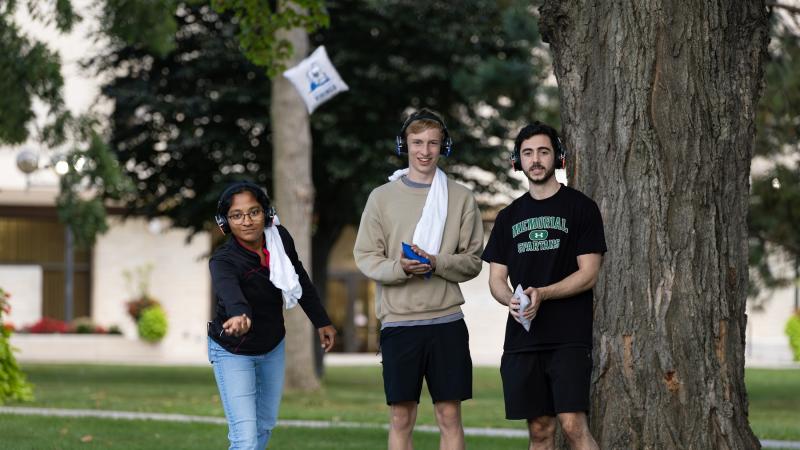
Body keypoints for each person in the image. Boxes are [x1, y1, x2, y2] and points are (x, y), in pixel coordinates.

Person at [354, 109, 484, 450]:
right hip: (399, 323)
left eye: (433, 143)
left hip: (446, 322)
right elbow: (366, 256)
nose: (425, 151)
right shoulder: (381, 198)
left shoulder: (461, 197)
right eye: (417, 143)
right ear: (404, 145)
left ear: (444, 147)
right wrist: (400, 268)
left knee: (449, 415)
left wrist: (436, 262)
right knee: (401, 417)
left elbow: (473, 262)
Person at [481, 122, 606, 450]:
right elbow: (496, 279)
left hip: (569, 337)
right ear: (517, 160)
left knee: (572, 424)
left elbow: (589, 273)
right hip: (523, 339)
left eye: (543, 152)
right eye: (527, 153)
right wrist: (510, 299)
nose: (535, 160)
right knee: (539, 430)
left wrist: (544, 293)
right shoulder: (507, 217)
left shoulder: (581, 208)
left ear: (557, 157)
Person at [208, 181, 337, 450]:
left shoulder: (280, 239)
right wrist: (239, 316)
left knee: (264, 425)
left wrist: (321, 321)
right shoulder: (223, 261)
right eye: (236, 215)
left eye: (253, 212)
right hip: (233, 350)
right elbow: (231, 295)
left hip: (272, 345)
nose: (246, 221)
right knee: (245, 438)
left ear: (266, 213)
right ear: (225, 222)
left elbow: (299, 277)